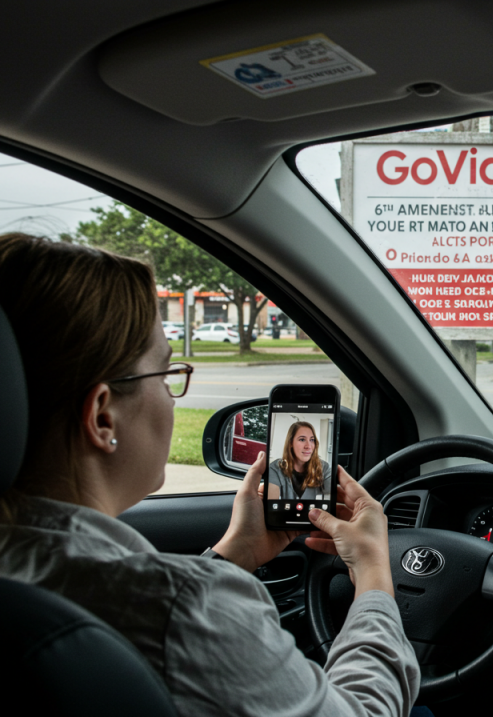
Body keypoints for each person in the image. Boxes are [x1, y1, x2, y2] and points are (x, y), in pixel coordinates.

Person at [0, 234, 419, 717]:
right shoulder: (184, 611)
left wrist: (235, 552)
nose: (172, 398)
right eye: (165, 374)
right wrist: (373, 572)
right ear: (102, 417)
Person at [267, 421, 326, 500]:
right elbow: (272, 502)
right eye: (302, 439)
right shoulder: (275, 468)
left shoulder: (324, 467)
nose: (308, 446)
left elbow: (332, 494)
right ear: (290, 443)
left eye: (312, 440)